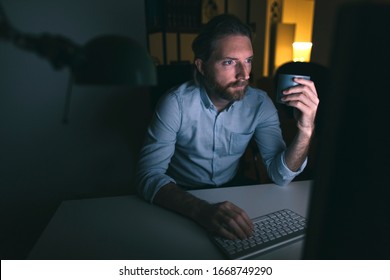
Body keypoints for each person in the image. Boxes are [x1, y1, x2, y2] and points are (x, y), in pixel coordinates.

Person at [135, 14, 319, 240]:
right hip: (181, 193)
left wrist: (305, 130)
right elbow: (148, 175)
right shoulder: (175, 104)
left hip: (234, 188)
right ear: (202, 66)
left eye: (248, 60)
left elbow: (281, 176)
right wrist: (200, 210)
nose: (244, 74)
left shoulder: (260, 103)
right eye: (229, 62)